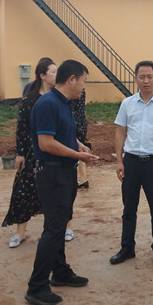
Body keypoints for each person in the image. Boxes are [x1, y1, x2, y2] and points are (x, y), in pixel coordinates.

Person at [24, 60, 99, 305]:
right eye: (84, 81)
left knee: (59, 223)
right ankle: (37, 286)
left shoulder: (65, 103)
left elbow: (62, 133)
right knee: (54, 229)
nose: (84, 86)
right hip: (52, 174)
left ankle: (60, 271)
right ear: (72, 79)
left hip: (65, 173)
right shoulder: (47, 104)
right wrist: (78, 156)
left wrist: (79, 145)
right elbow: (45, 143)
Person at [110, 60, 153, 268]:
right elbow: (120, 132)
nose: (146, 81)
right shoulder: (127, 104)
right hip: (131, 162)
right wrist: (119, 160)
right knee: (129, 208)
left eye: (149, 76)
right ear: (136, 79)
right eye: (142, 77)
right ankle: (127, 248)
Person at [2, 58, 56, 248]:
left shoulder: (59, 97)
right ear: (42, 75)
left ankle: (58, 230)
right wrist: (20, 153)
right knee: (24, 191)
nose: (57, 75)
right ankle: (20, 233)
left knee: (55, 193)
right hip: (33, 152)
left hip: (54, 152)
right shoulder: (29, 99)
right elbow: (22, 128)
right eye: (53, 72)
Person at [67, 87, 90, 242]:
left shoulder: (75, 91)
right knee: (80, 152)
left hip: (77, 126)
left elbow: (77, 112)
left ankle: (82, 179)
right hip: (78, 124)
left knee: (79, 152)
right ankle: (82, 179)